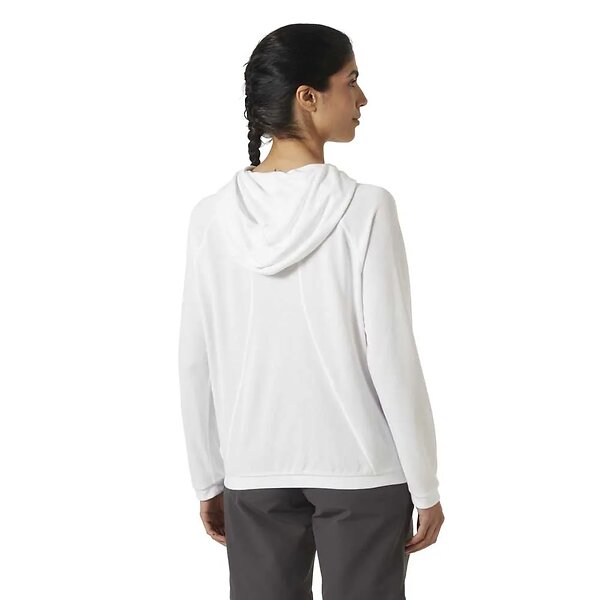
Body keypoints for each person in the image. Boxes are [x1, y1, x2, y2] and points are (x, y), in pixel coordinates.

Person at [178, 23, 445, 600]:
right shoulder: (365, 208)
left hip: (254, 470)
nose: (362, 98)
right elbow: (393, 357)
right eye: (351, 81)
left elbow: (195, 361)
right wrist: (425, 484)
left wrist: (208, 477)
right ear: (308, 96)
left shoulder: (211, 217)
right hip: (363, 471)